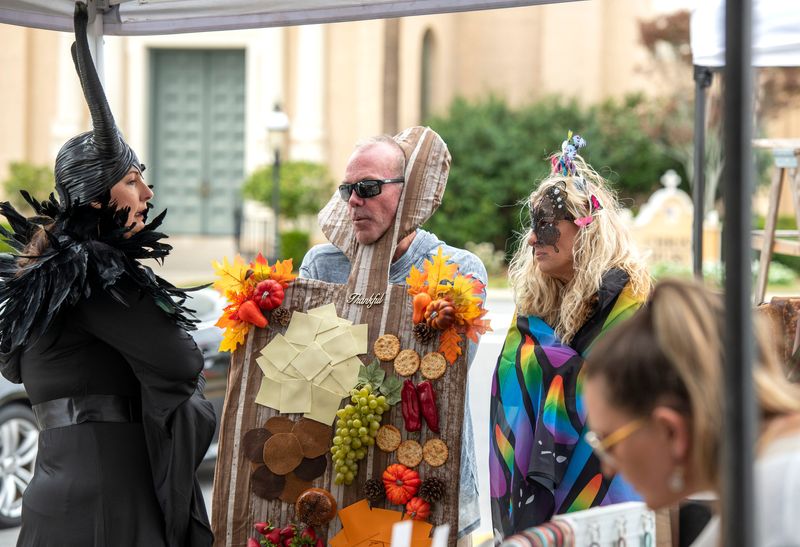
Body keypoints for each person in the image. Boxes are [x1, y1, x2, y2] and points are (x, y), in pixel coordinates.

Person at [0, 3, 215, 546]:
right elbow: (182, 360)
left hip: (57, 491)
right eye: (131, 181)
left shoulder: (47, 274)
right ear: (96, 201)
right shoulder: (89, 271)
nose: (148, 194)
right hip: (106, 502)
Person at [300, 130, 488, 542]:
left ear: (409, 193)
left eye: (368, 187)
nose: (354, 200)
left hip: (428, 485)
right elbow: (310, 373)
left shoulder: (459, 270)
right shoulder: (322, 265)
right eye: (348, 189)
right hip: (344, 483)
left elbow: (442, 376)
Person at [488, 133, 652, 539]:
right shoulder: (535, 303)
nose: (531, 240)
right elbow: (511, 389)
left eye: (546, 228)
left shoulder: (628, 305)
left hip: (607, 487)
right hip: (538, 499)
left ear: (586, 228)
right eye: (533, 227)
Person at [583, 279, 800, 546]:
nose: (607, 467)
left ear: (670, 430)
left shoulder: (776, 496)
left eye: (607, 442)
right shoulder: (759, 486)